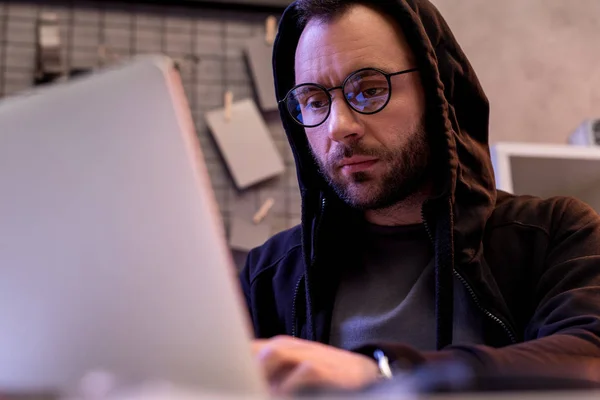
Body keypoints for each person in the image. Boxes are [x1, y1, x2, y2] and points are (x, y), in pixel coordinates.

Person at [240, 0, 600, 395]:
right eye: (314, 102)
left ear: (438, 92)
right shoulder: (270, 275)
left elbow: (588, 355)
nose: (339, 127)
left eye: (369, 90)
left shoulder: (555, 236)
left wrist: (382, 373)